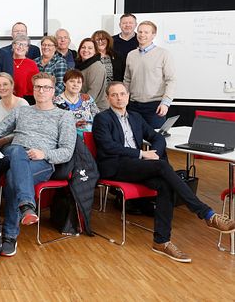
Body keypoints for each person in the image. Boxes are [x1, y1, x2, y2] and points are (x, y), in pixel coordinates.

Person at [93, 82, 235, 263]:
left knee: (165, 184)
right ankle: (206, 214)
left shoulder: (135, 117)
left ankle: (161, 241)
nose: (119, 98)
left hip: (137, 165)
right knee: (162, 166)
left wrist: (155, 153)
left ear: (128, 96)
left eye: (122, 94)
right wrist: (142, 153)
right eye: (114, 95)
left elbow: (157, 137)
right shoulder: (102, 119)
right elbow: (108, 146)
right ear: (108, 98)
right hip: (115, 167)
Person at [0, 73, 76, 257]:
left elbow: (67, 151)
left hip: (41, 162)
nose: (41, 91)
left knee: (14, 177)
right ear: (33, 89)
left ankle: (10, 235)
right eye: (38, 87)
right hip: (14, 155)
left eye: (46, 87)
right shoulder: (22, 111)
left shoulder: (64, 116)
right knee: (16, 150)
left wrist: (44, 153)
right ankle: (25, 208)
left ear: (54, 91)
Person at [124, 21, 175, 129]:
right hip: (133, 106)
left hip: (155, 106)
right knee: (133, 140)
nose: (142, 35)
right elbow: (127, 80)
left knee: (155, 141)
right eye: (140, 31)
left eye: (146, 32)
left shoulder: (163, 54)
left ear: (153, 35)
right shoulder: (131, 55)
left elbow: (171, 80)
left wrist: (166, 103)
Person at [53, 69, 100, 134]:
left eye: (79, 82)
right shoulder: (56, 102)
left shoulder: (87, 99)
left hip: (89, 138)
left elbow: (98, 119)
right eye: (72, 81)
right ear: (64, 83)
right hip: (67, 138)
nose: (75, 84)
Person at [75, 38, 109, 111]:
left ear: (95, 51)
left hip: (96, 109)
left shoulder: (97, 66)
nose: (86, 50)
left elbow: (92, 93)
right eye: (83, 47)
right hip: (83, 105)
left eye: (90, 48)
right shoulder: (79, 65)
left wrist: (76, 107)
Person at [10, 35, 39, 104]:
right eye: (18, 44)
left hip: (27, 100)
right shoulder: (6, 61)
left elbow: (36, 83)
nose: (20, 47)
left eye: (24, 45)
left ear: (27, 48)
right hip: (9, 98)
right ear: (13, 46)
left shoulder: (32, 64)